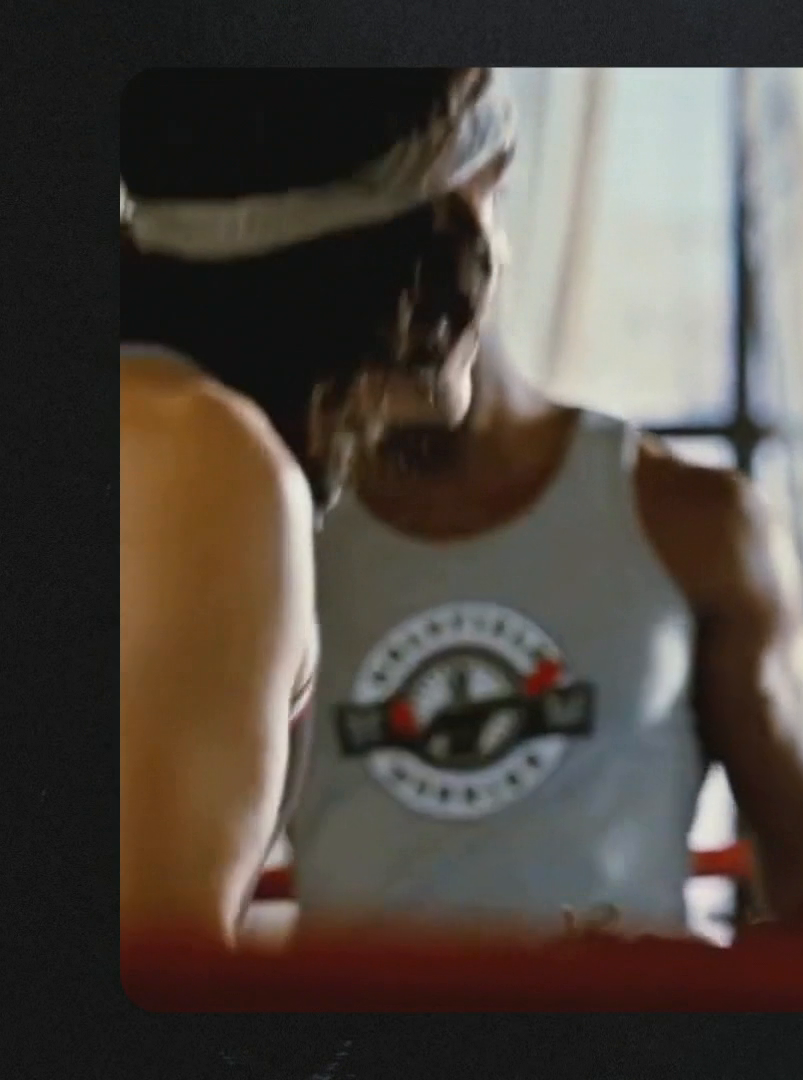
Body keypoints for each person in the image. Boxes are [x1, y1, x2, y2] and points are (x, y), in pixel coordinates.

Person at [283, 334, 803, 948]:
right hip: (354, 1018)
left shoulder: (684, 516)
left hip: (621, 1016)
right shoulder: (274, 534)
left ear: (488, 268)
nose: (408, 307)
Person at [119, 68, 516, 952]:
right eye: (492, 193)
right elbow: (148, 978)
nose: (504, 251)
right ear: (423, 237)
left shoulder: (161, 422)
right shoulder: (201, 463)